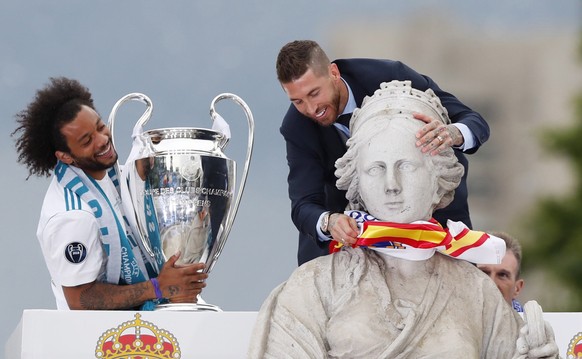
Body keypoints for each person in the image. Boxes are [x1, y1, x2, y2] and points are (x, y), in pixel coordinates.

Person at [248, 81, 557, 358]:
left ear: (438, 176)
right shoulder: (312, 287)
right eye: (375, 169)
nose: (391, 184)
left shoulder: (479, 293)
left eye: (407, 166)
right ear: (357, 181)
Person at [276, 40, 490, 265]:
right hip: (350, 230)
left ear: (334, 72)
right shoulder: (296, 126)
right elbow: (303, 205)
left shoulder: (391, 76)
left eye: (314, 93)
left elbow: (475, 122)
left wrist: (453, 133)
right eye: (297, 101)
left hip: (432, 215)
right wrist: (329, 222)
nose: (310, 109)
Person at [13, 77, 208, 310]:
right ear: (65, 156)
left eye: (99, 126)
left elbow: (124, 198)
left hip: (145, 323)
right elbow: (80, 300)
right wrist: (158, 288)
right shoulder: (72, 216)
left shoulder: (106, 174)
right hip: (101, 341)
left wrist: (140, 178)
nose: (103, 140)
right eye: (87, 141)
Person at [478, 231, 525, 312]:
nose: (491, 282)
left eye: (502, 275)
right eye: (484, 272)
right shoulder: (450, 318)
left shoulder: (532, 324)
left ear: (517, 288)